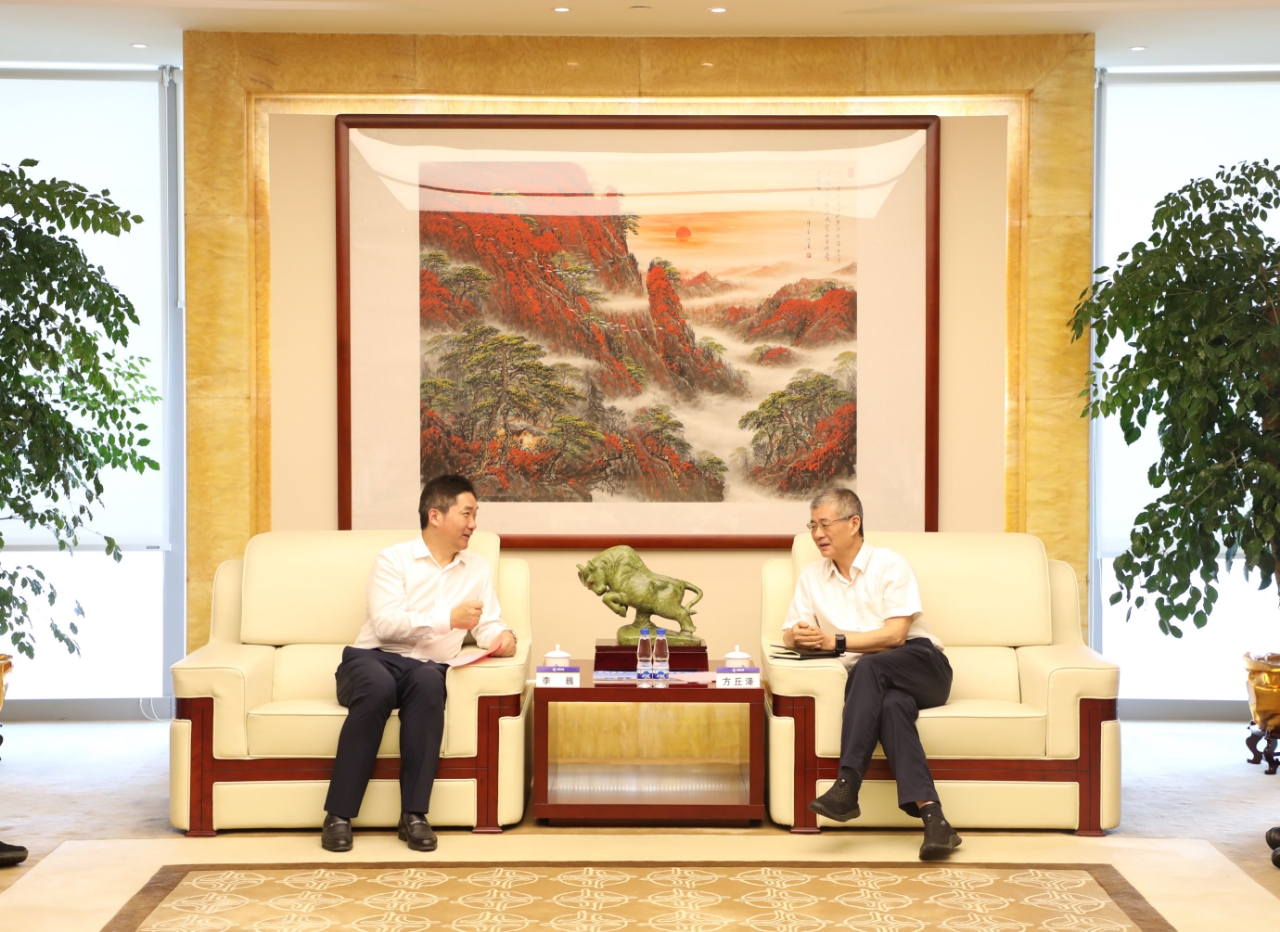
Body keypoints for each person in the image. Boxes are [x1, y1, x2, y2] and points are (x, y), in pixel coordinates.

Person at [321, 474, 517, 853]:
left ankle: (413, 815)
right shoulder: (393, 560)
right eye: (467, 514)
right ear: (435, 516)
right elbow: (386, 624)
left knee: (430, 684)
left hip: (427, 668)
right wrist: (449, 619)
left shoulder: (477, 568)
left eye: (475, 515)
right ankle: (338, 815)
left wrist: (503, 638)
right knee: (378, 687)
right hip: (372, 660)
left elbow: (487, 622)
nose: (474, 524)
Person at [783, 487, 961, 860]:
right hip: (878, 683)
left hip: (922, 665)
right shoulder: (812, 576)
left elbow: (895, 635)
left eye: (825, 524)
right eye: (812, 526)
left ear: (854, 523)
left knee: (867, 666)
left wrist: (835, 641)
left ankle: (847, 784)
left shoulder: (890, 564)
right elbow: (788, 632)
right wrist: (797, 636)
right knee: (892, 707)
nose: (817, 534)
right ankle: (936, 821)